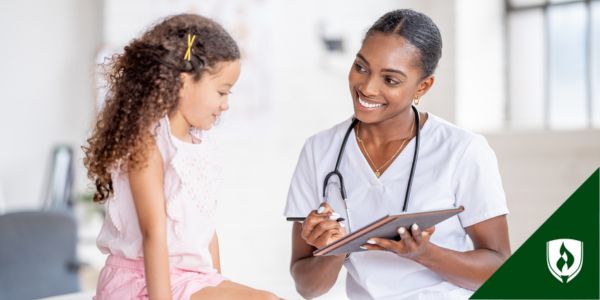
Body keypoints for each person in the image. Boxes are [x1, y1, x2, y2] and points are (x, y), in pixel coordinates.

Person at [285, 9, 510, 300]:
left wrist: (424, 253)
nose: (367, 87)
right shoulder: (319, 150)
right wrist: (335, 250)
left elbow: (500, 267)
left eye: (390, 80)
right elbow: (307, 287)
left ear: (423, 86)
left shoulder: (463, 150)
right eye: (361, 67)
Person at [83, 14, 278, 300]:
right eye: (222, 92)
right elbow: (153, 235)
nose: (225, 105)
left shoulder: (197, 145)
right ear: (183, 82)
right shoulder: (147, 144)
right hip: (143, 281)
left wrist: (218, 284)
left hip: (189, 279)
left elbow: (206, 232)